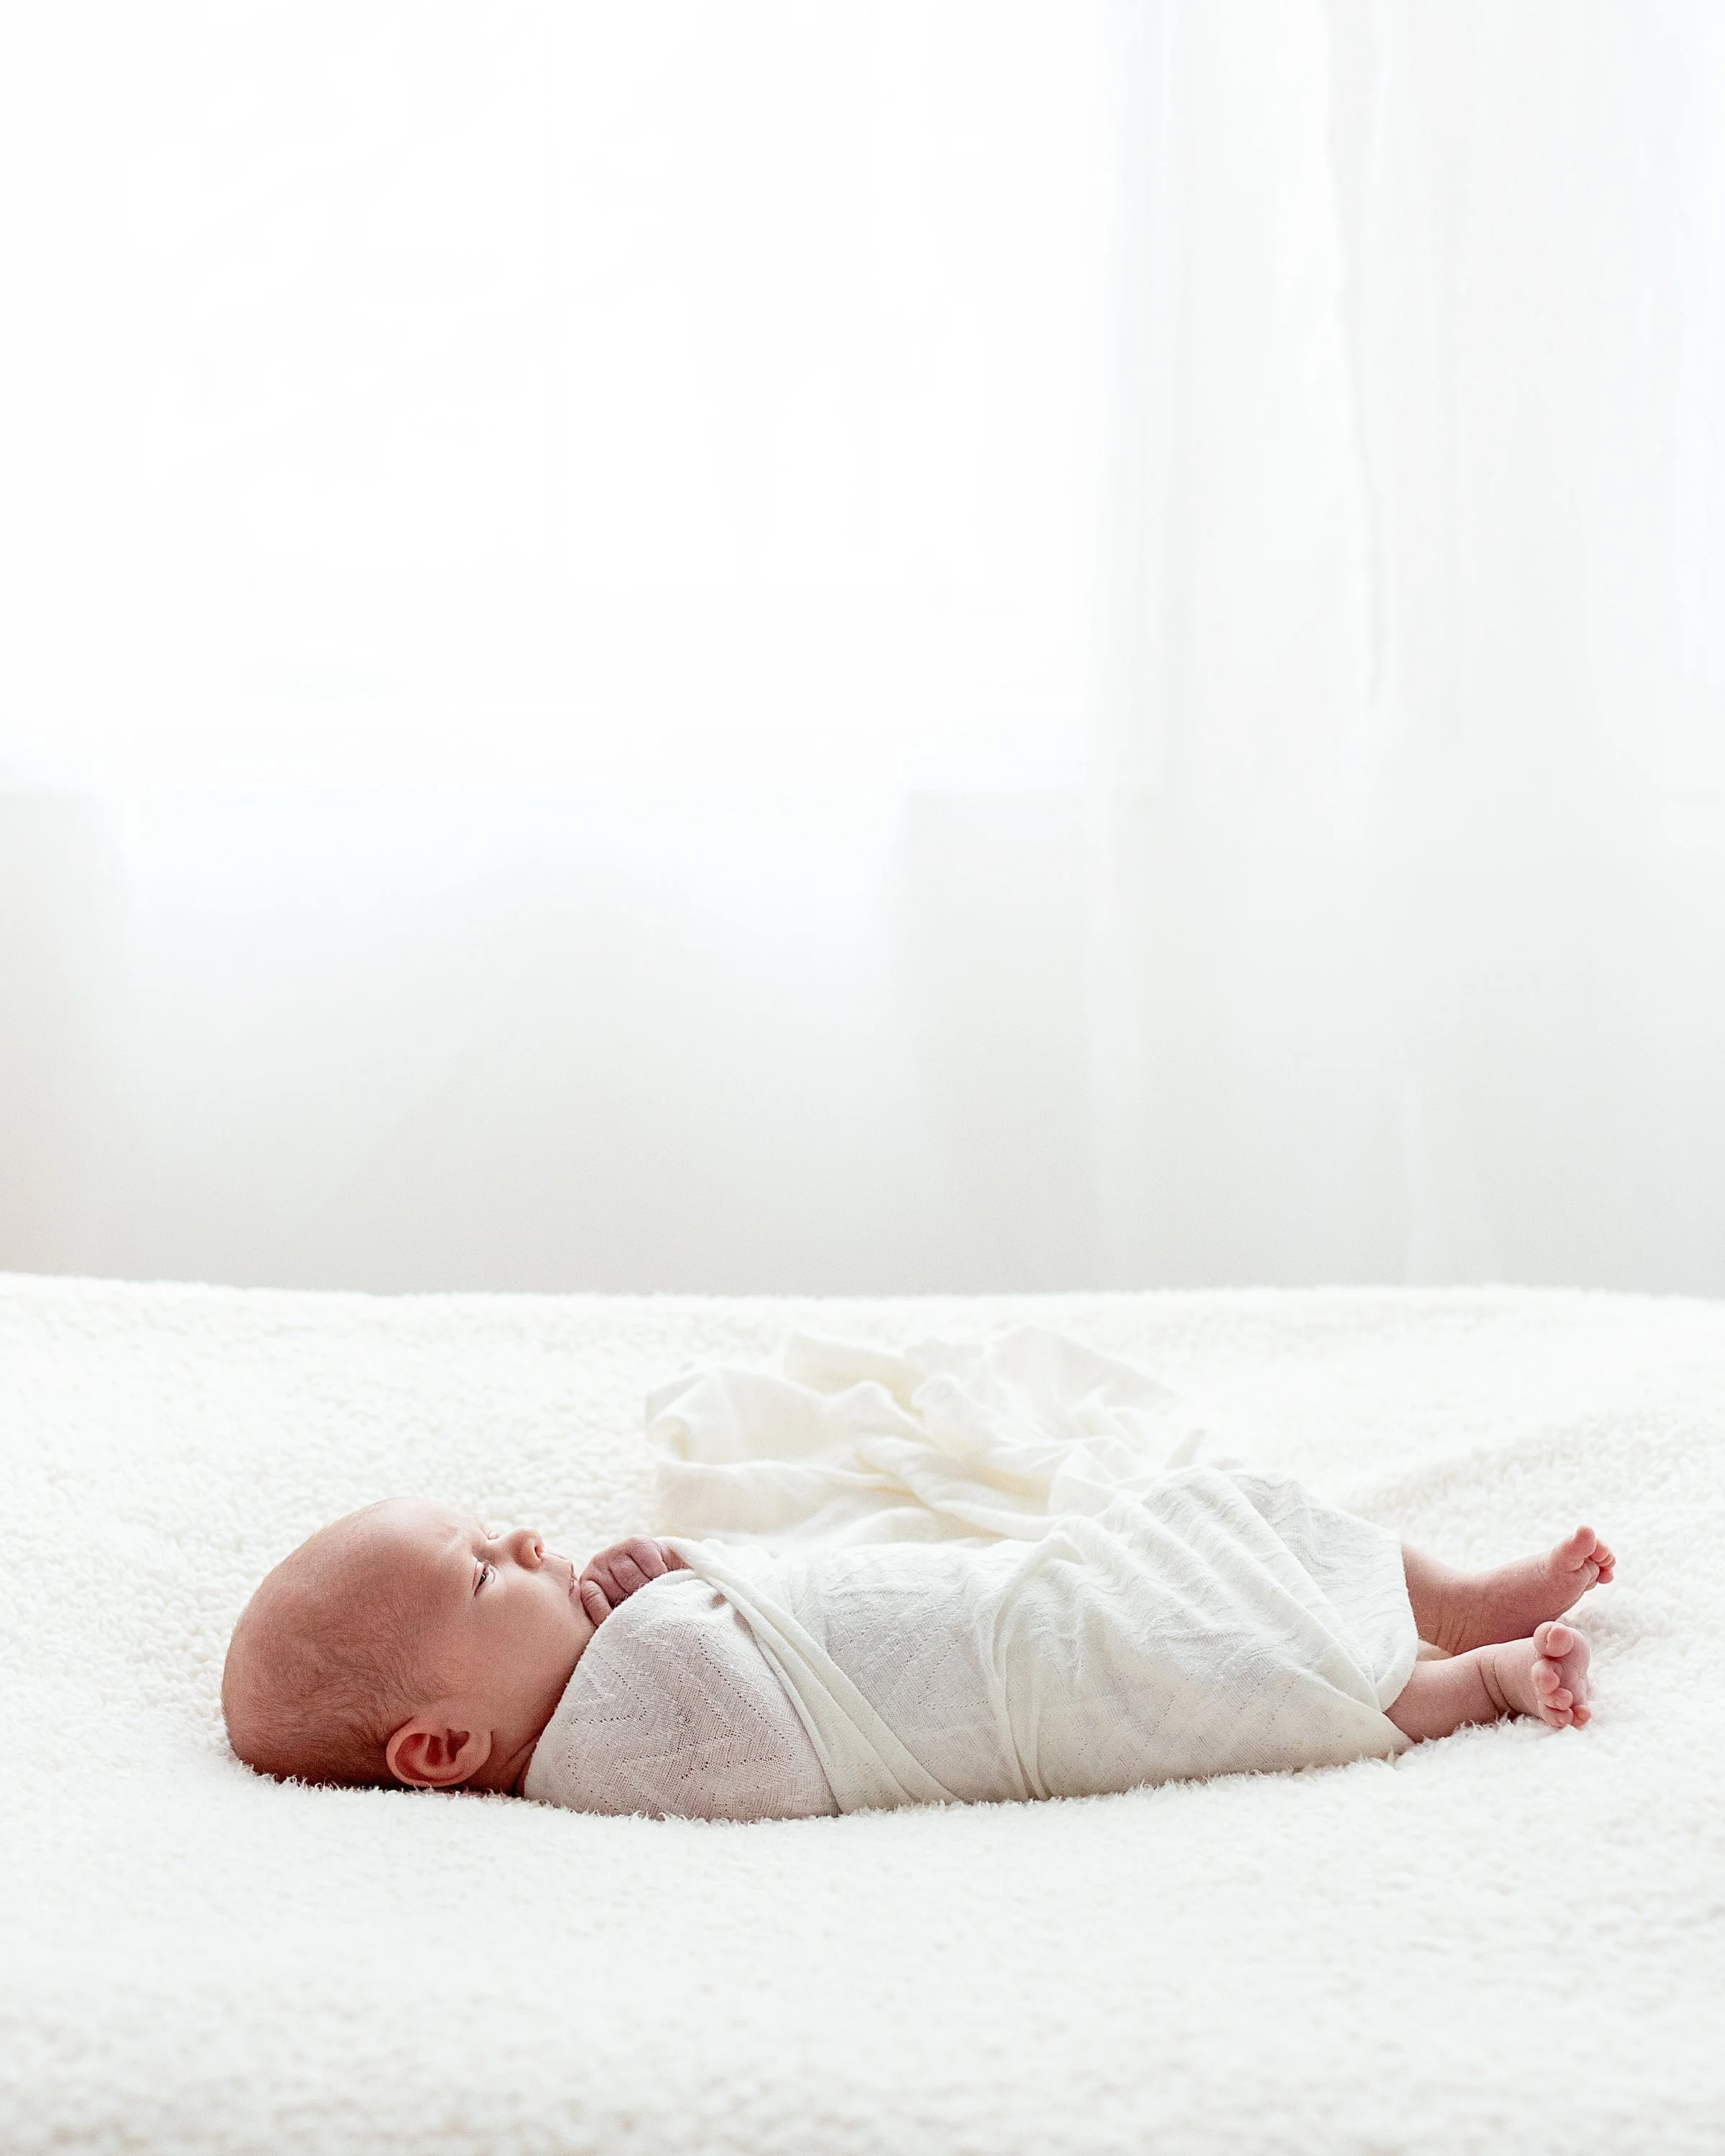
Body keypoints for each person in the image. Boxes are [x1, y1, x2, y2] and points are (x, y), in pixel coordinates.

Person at [221, 1484, 1611, 1821]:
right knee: (1214, 1676)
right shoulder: (605, 1759)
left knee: (1213, 1509)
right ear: (443, 1750)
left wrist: (685, 1571)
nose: (530, 1545)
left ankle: (1458, 1593)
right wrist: (667, 1598)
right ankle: (1463, 1683)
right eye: (484, 1574)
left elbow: (758, 1607)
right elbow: (756, 1740)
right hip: (1030, 1684)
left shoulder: (600, 1669)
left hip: (1003, 1593)